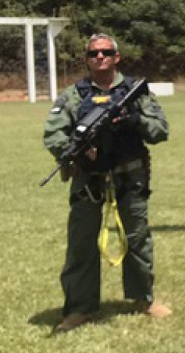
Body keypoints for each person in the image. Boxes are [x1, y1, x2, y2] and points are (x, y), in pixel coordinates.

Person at [44, 33, 171, 333]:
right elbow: (53, 134)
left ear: (117, 57)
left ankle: (143, 299)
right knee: (81, 243)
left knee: (137, 238)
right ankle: (79, 307)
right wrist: (74, 150)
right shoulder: (73, 95)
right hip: (89, 178)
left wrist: (135, 121)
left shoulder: (136, 92)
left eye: (105, 52)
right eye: (93, 54)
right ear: (87, 60)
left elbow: (160, 129)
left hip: (130, 176)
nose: (99, 57)